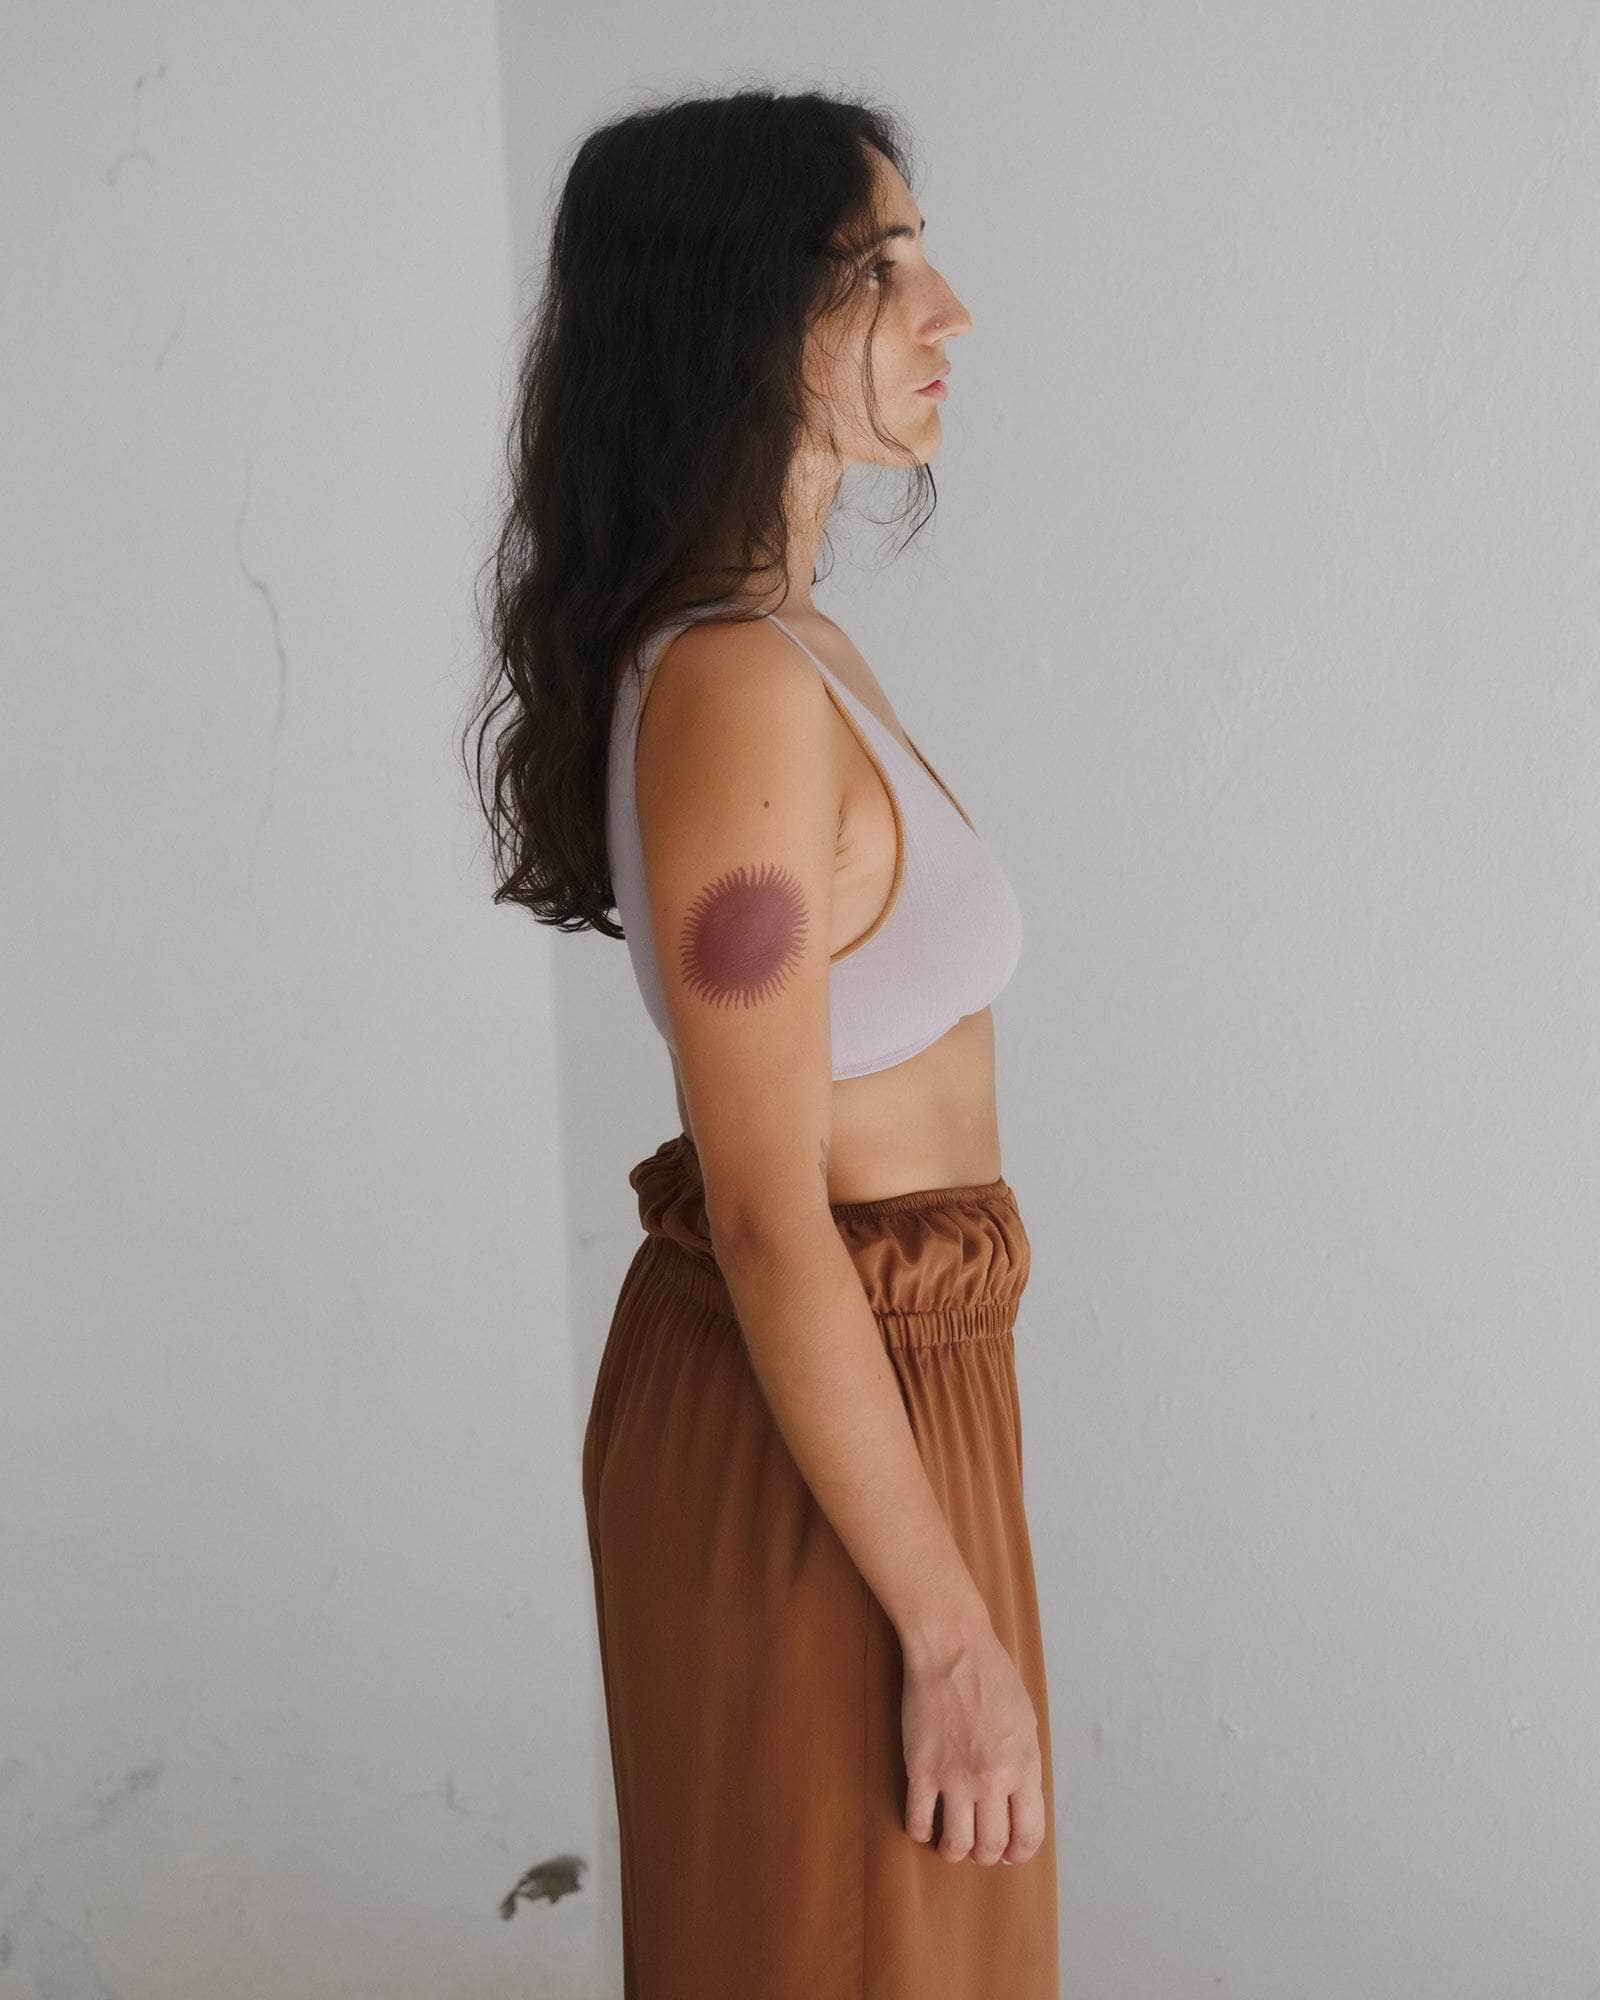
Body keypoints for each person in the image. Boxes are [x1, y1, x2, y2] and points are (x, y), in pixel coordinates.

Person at [465, 84, 1059, 1999]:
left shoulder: (786, 645)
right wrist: (947, 1639)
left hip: (897, 1382)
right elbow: (767, 1208)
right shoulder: (732, 686)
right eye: (879, 269)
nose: (947, 311)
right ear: (739, 318)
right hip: (819, 1386)